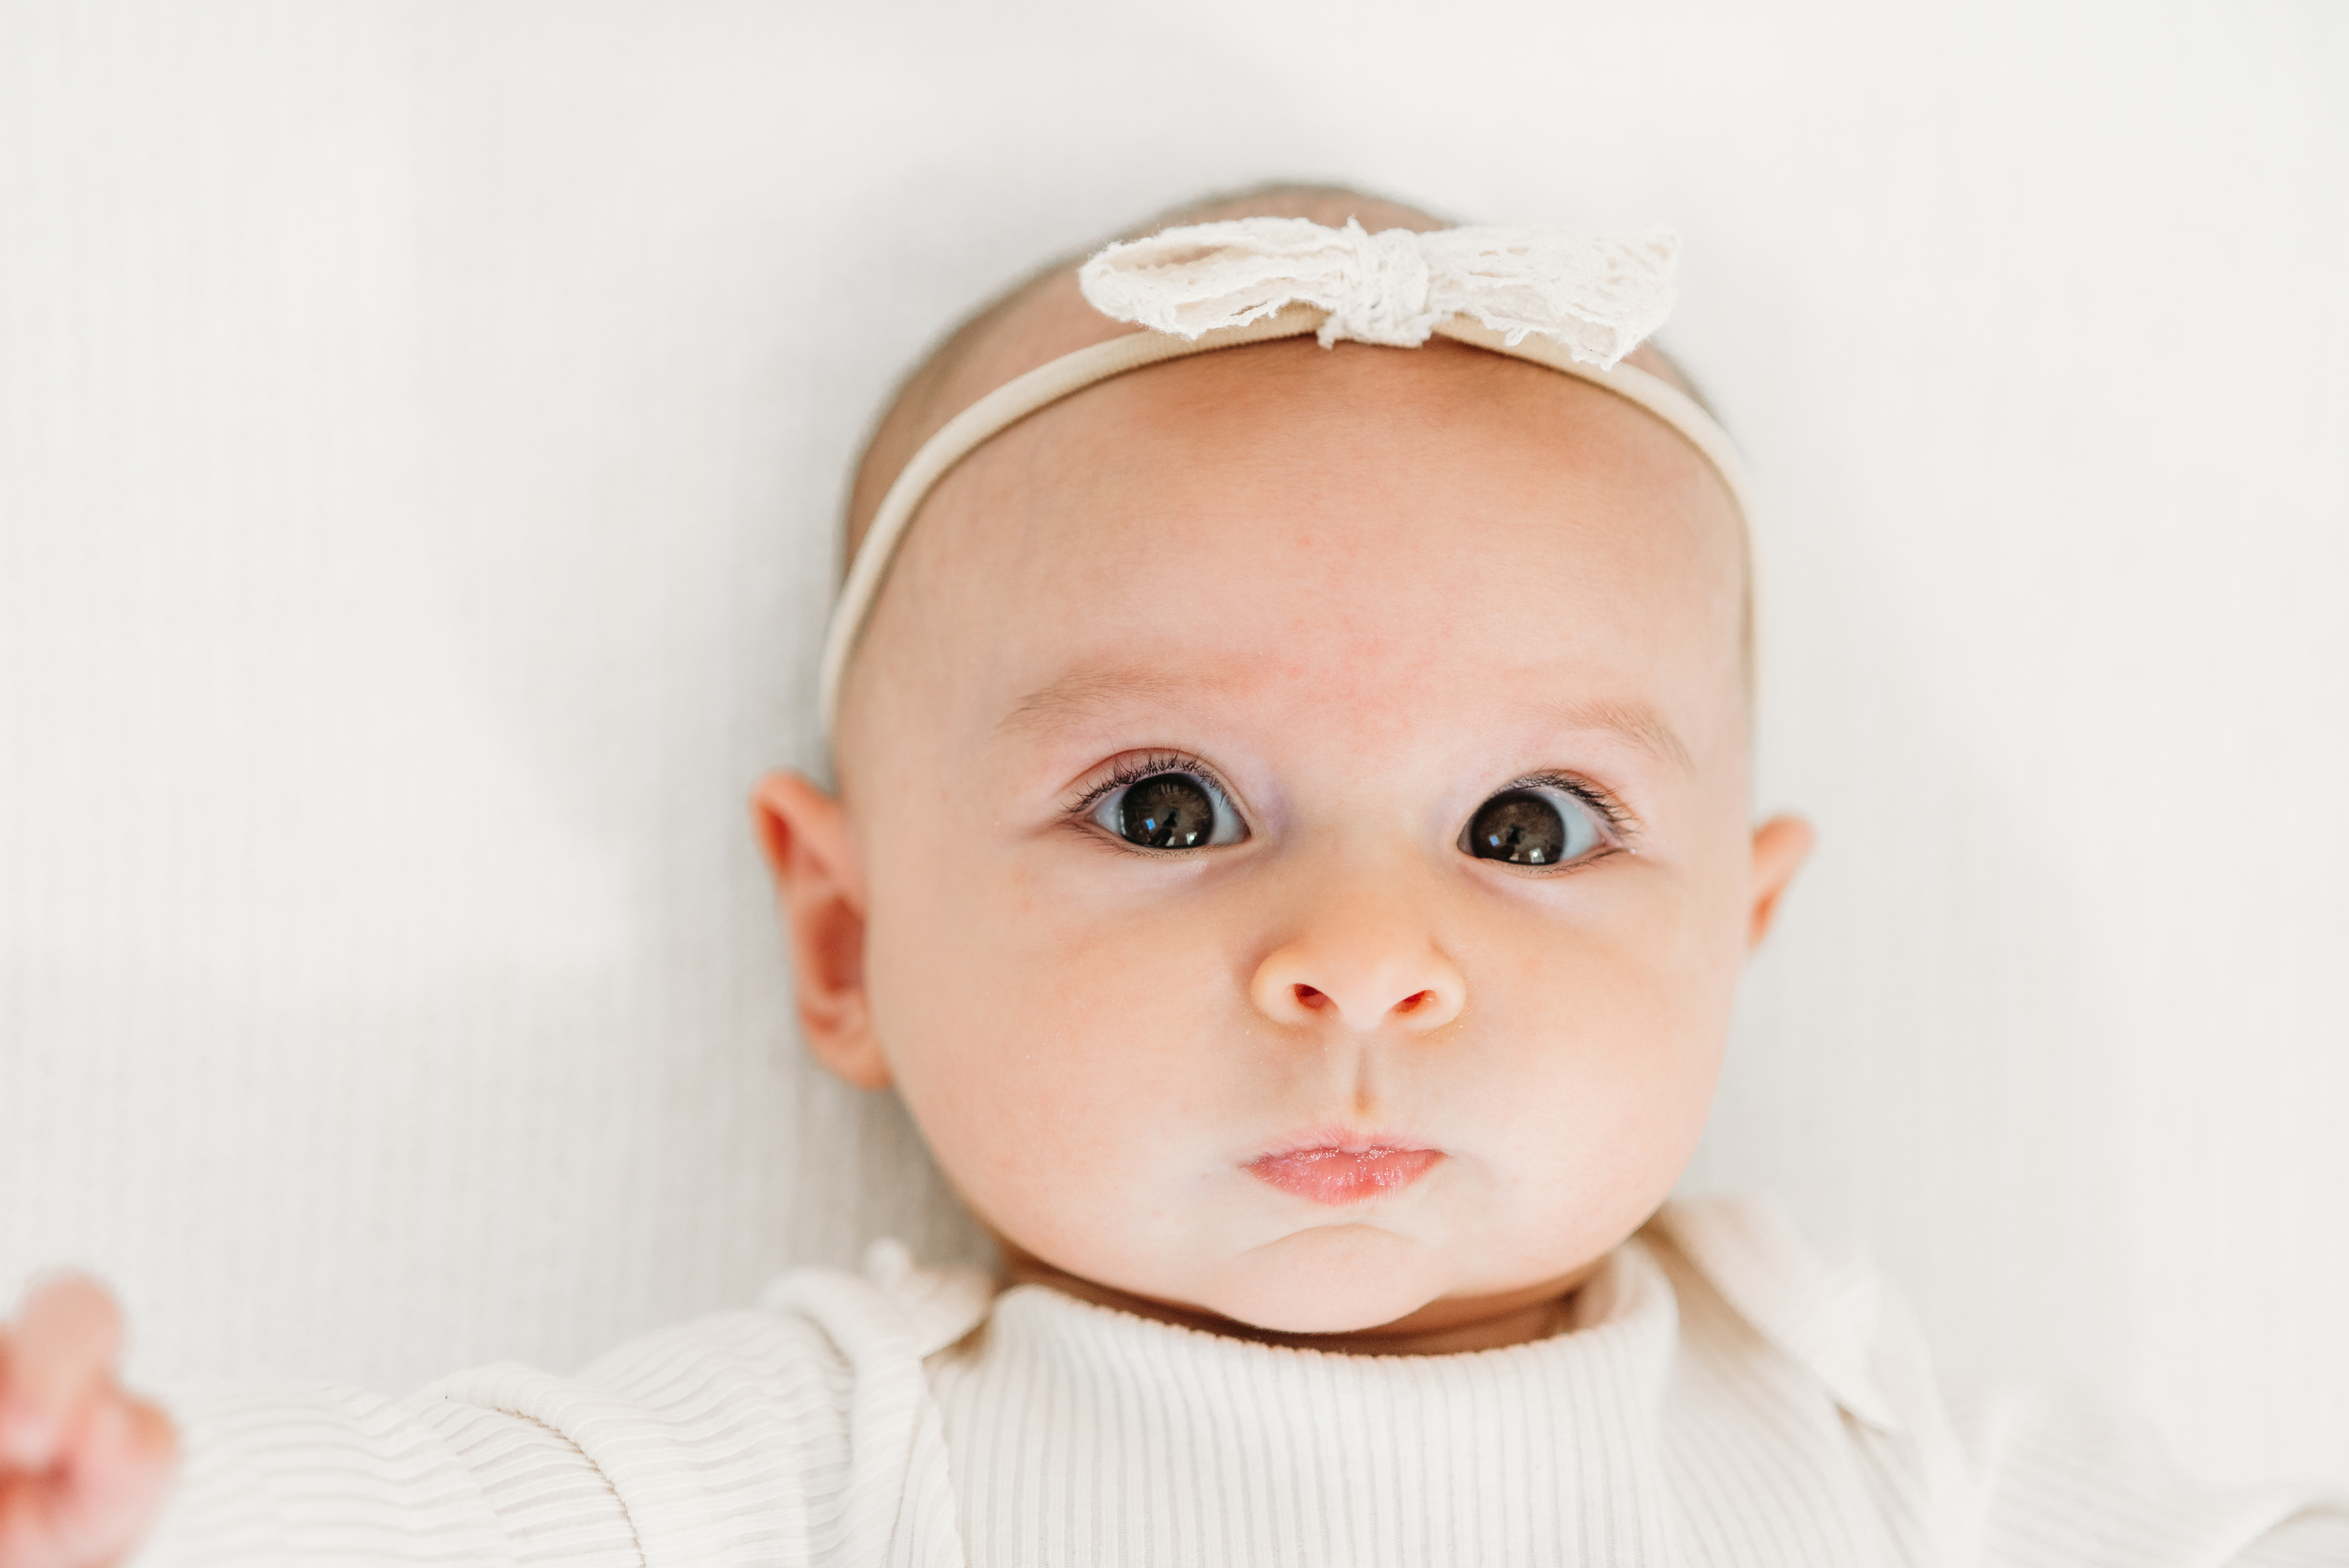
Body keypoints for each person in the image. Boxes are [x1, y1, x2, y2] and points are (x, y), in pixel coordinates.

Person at [0, 184, 2340, 1567]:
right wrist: (130, 1501)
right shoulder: (849, 1446)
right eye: (1168, 807)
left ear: (1737, 936)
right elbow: (453, 1520)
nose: (1361, 963)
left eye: (1529, 830)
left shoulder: (1856, 1416)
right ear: (847, 933)